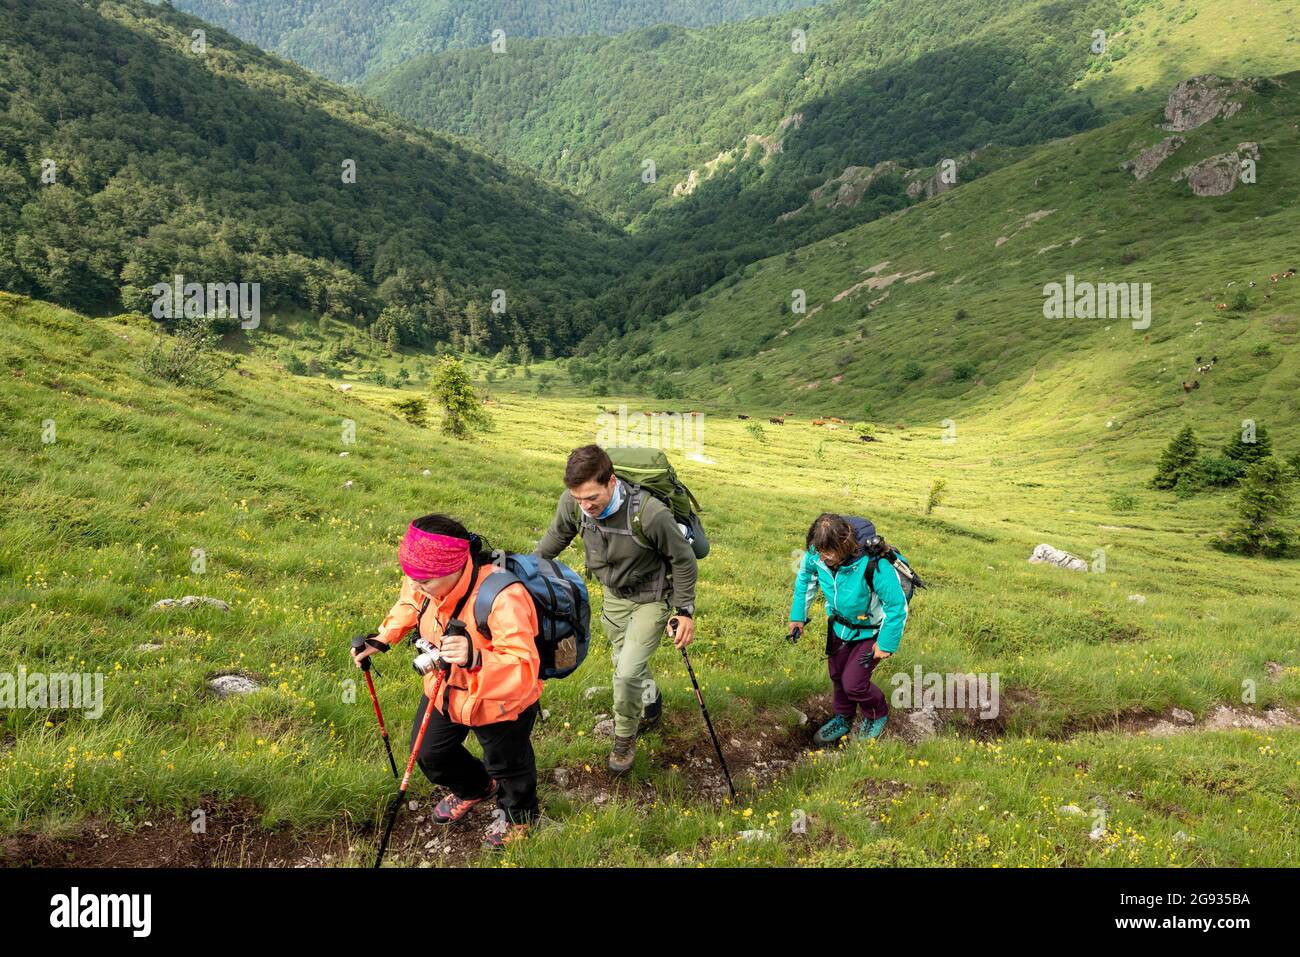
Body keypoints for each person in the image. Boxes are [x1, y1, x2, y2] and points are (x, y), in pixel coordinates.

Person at [352, 514, 543, 850]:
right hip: (445, 689)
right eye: (411, 577)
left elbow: (524, 669)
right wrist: (383, 638)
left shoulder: (503, 596)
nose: (414, 584)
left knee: (509, 766)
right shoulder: (424, 580)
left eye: (423, 580)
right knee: (430, 754)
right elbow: (411, 602)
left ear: (454, 568)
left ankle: (519, 817)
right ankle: (476, 788)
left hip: (499, 703)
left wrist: (476, 658)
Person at [536, 444, 698, 774]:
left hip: (652, 597)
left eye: (591, 498)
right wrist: (520, 571)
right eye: (578, 498)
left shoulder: (650, 514)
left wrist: (684, 611)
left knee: (625, 672)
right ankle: (650, 703)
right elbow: (557, 536)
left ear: (611, 481)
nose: (585, 506)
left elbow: (683, 560)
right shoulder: (574, 504)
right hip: (613, 596)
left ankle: (625, 736)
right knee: (624, 661)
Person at [788, 513, 908, 745]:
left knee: (854, 683)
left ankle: (877, 713)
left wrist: (886, 643)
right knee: (837, 675)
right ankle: (843, 717)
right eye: (818, 550)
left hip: (871, 631)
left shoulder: (875, 563)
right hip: (839, 627)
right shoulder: (817, 553)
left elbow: (896, 606)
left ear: (845, 544)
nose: (822, 558)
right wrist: (798, 617)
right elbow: (804, 579)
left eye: (828, 552)